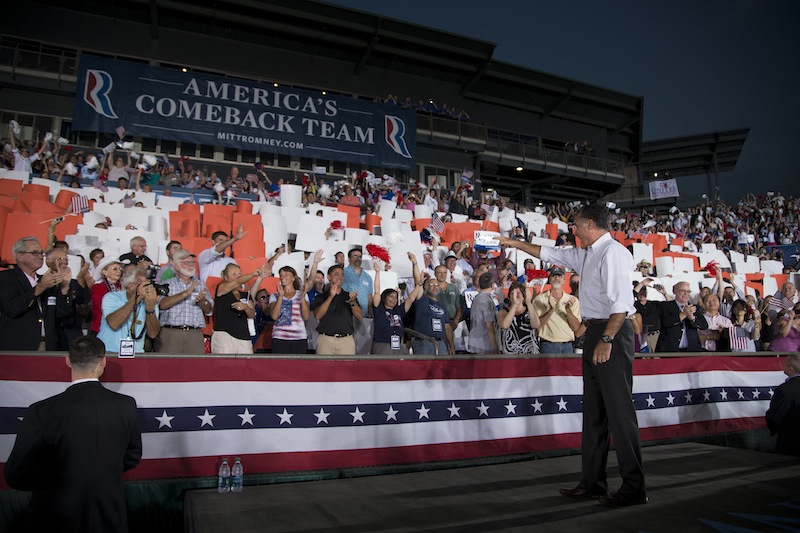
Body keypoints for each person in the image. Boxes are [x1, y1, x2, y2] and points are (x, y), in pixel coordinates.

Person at [500, 204, 647, 507]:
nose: (573, 231)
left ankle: (634, 487)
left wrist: (607, 338)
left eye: (577, 226)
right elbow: (548, 253)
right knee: (594, 414)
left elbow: (622, 304)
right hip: (593, 332)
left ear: (591, 224)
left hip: (612, 333)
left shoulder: (614, 253)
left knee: (620, 413)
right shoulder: (587, 254)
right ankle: (593, 483)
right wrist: (515, 243)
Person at [4, 335, 142, 532]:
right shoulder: (126, 406)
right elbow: (132, 456)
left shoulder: (42, 410)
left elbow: (16, 474)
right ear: (103, 361)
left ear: (68, 360)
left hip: (55, 513)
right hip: (109, 514)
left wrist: (60, 481)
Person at [0, 237, 71, 351]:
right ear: (20, 256)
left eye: (41, 253)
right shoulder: (6, 278)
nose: (40, 256)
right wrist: (40, 287)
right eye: (34, 253)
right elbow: (12, 308)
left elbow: (61, 314)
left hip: (48, 346)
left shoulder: (45, 280)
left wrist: (64, 288)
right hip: (19, 346)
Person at [157, 250, 213, 354]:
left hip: (194, 334)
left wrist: (203, 302)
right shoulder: (167, 284)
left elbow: (209, 310)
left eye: (192, 262)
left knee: (195, 367)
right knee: (168, 367)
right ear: (176, 266)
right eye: (186, 263)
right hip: (171, 333)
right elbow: (162, 305)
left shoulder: (201, 285)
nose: (190, 265)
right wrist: (185, 293)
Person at [98, 266, 161, 354]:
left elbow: (153, 334)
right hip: (109, 351)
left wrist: (150, 308)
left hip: (135, 353)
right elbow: (114, 324)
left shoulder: (150, 302)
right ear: (131, 286)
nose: (148, 286)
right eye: (143, 283)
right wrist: (136, 298)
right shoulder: (112, 297)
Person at [371, 254, 423, 355]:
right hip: (382, 347)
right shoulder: (379, 309)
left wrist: (419, 285)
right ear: (384, 297)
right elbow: (377, 291)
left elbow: (411, 298)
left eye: (395, 297)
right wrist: (377, 272)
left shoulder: (398, 310)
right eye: (391, 296)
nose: (394, 299)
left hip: (397, 346)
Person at [211, 263, 261, 354]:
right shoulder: (221, 289)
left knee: (246, 366)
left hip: (244, 336)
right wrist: (253, 274)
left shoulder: (245, 295)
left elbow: (252, 314)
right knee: (225, 366)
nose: (237, 277)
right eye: (233, 274)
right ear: (225, 277)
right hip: (224, 336)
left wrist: (245, 307)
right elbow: (237, 282)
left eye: (239, 274)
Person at [312, 264, 363, 355]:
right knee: (324, 368)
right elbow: (318, 315)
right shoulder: (321, 296)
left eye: (342, 275)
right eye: (336, 274)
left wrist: (352, 303)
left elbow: (359, 316)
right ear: (329, 277)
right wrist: (330, 297)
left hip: (346, 341)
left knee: (346, 369)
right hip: (325, 340)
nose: (340, 277)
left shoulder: (349, 296)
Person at [533, 267, 581, 354]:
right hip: (548, 345)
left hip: (567, 345)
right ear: (549, 279)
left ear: (564, 280)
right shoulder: (539, 299)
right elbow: (537, 326)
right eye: (554, 276)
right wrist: (551, 311)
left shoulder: (573, 300)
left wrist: (568, 310)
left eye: (559, 276)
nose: (557, 278)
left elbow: (576, 328)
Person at [655, 282, 708, 352]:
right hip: (669, 350)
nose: (686, 293)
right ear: (674, 291)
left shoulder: (695, 308)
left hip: (691, 351)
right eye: (683, 291)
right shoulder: (665, 306)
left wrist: (692, 318)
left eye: (688, 291)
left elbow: (704, 326)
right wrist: (683, 314)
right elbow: (666, 322)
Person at [269, 266, 311, 354]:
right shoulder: (274, 295)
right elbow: (274, 316)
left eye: (286, 274)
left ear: (293, 277)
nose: (283, 277)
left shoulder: (301, 294)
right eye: (281, 275)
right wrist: (280, 296)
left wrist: (302, 298)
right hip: (279, 337)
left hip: (299, 337)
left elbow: (306, 316)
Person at [766, 354, 800, 456]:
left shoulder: (784, 390)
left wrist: (773, 429)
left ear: (791, 369)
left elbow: (775, 417)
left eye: (785, 364)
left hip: (791, 443)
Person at [413, 276, 455, 355]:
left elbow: (447, 326)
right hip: (424, 343)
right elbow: (417, 282)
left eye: (437, 285)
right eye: (431, 285)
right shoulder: (422, 300)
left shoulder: (442, 305)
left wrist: (451, 345)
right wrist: (415, 264)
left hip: (440, 343)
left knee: (442, 367)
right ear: (425, 287)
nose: (435, 287)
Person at [498, 282, 541, 354]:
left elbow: (536, 325)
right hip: (510, 353)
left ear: (523, 297)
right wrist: (515, 305)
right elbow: (505, 325)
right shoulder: (503, 312)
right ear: (509, 297)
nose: (516, 295)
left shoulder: (530, 310)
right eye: (512, 293)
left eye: (518, 293)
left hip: (530, 353)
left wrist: (529, 303)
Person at [90, 257, 126, 335]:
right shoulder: (98, 287)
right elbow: (100, 306)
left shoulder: (122, 286)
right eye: (114, 269)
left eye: (119, 269)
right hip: (101, 327)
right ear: (105, 272)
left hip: (119, 327)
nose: (118, 271)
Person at [468, 272, 499, 354]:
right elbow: (489, 327)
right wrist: (495, 347)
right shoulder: (487, 300)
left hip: (475, 344)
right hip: (484, 346)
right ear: (492, 285)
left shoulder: (477, 298)